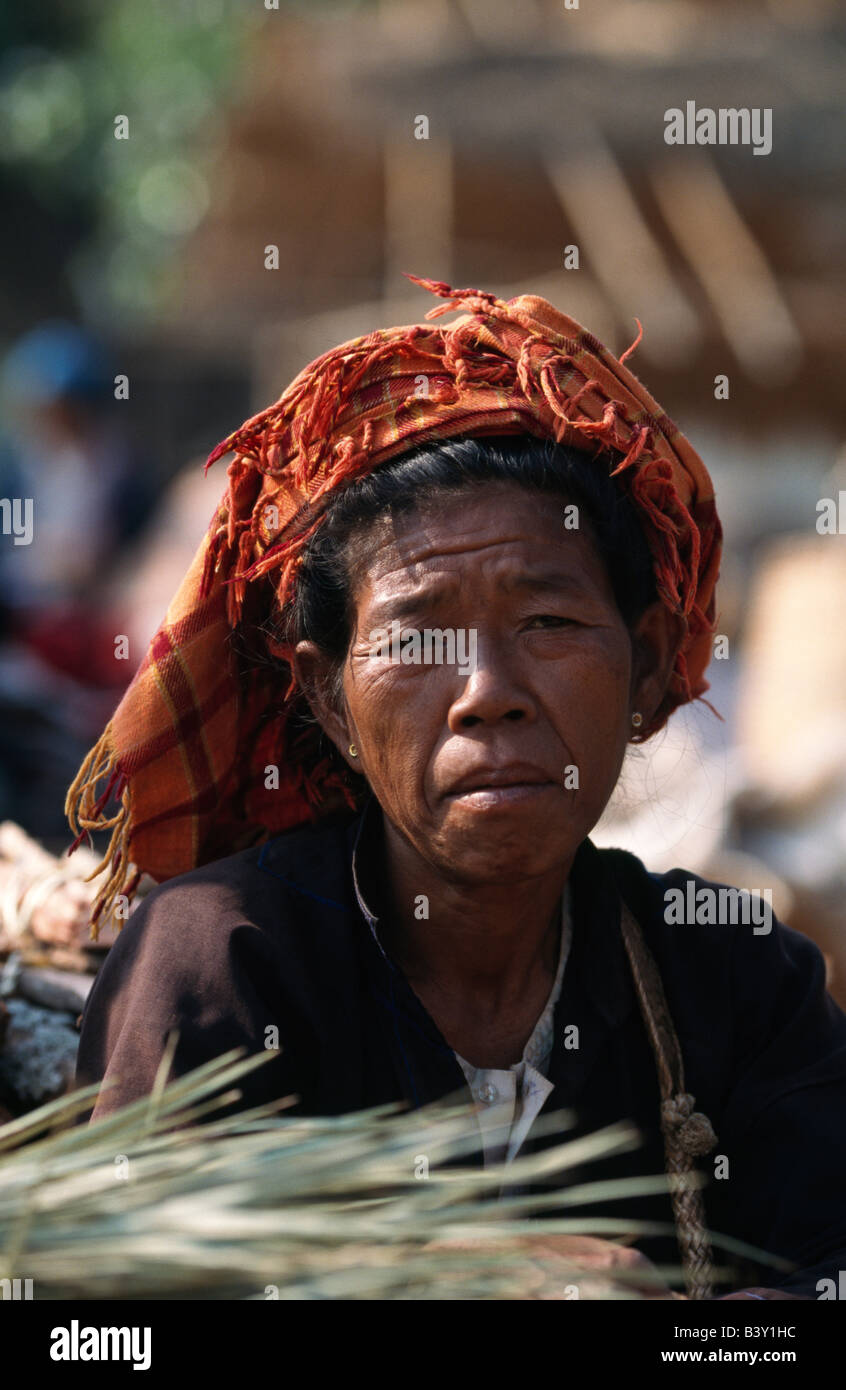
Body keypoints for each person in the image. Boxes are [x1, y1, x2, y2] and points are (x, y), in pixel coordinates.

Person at [68, 277, 846, 1301]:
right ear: (330, 701)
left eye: (550, 624)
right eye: (418, 638)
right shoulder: (220, 965)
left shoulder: (737, 981)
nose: (489, 695)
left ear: (649, 667)